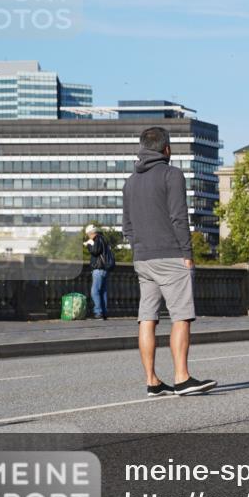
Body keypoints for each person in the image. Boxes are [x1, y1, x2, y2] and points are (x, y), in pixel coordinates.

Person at [123, 127, 217, 397]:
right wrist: (187, 253)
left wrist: (139, 247)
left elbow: (127, 226)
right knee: (181, 317)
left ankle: (152, 381)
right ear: (166, 149)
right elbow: (178, 217)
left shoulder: (130, 181)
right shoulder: (171, 174)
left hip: (142, 258)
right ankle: (182, 378)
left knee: (147, 319)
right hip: (171, 256)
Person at [84, 223, 114, 320]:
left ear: (91, 233)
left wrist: (88, 244)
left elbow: (95, 251)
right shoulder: (103, 238)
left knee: (95, 291)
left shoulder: (97, 239)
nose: (89, 236)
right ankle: (104, 313)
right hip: (105, 269)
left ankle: (98, 312)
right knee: (103, 292)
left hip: (99, 269)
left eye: (88, 234)